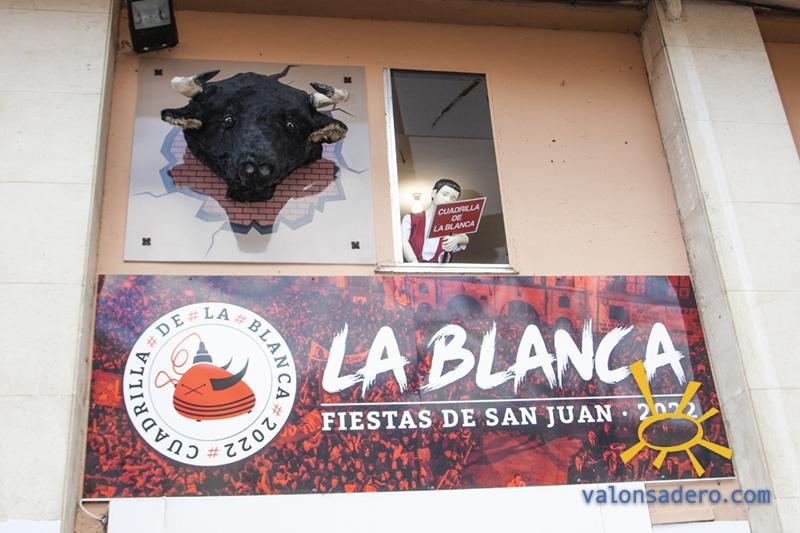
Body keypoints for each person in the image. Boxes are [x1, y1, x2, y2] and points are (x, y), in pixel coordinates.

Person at [401, 178, 470, 263]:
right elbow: (403, 241)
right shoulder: (410, 218)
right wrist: (413, 261)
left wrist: (458, 239)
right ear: (434, 193)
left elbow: (465, 238)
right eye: (444, 194)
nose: (448, 200)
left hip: (441, 270)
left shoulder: (451, 223)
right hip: (415, 267)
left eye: (453, 198)